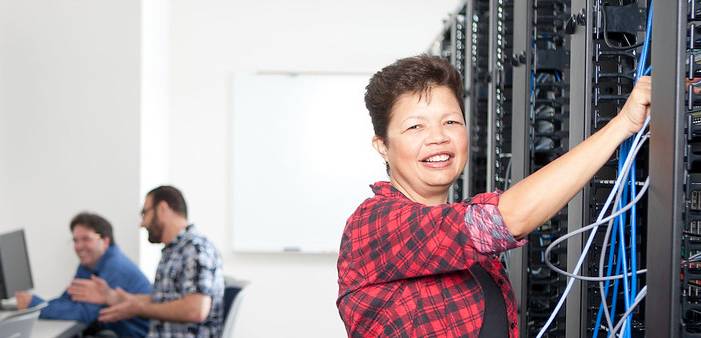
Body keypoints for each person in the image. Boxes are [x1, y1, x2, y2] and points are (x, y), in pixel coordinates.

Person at [336, 55, 651, 337]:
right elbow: (507, 218)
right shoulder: (374, 224)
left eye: (451, 121)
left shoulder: (467, 243)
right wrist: (623, 124)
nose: (438, 137)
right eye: (415, 127)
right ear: (382, 146)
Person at [69, 185, 225, 338]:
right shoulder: (175, 251)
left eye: (145, 213)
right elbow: (165, 299)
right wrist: (113, 297)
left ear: (163, 208)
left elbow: (195, 310)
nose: (142, 223)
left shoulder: (195, 248)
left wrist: (138, 308)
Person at [16, 212, 152, 338]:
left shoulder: (116, 267)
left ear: (105, 241)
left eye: (86, 239)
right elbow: (69, 298)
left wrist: (34, 305)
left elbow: (86, 313)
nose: (79, 246)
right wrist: (38, 306)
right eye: (75, 240)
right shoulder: (89, 262)